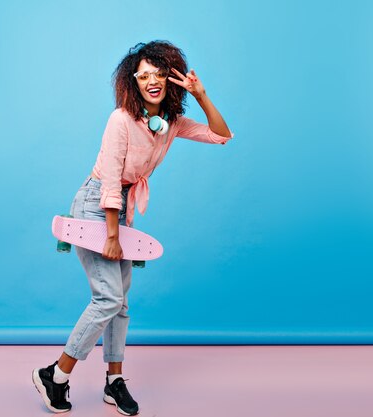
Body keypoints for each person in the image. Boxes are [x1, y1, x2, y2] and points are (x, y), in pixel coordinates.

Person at [32, 40, 233, 415]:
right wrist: (111, 234)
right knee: (107, 298)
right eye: (143, 75)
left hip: (122, 210)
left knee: (121, 306)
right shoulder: (120, 119)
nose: (152, 81)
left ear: (170, 79)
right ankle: (55, 375)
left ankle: (113, 380)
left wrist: (202, 96)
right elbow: (110, 179)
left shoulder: (171, 123)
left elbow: (220, 135)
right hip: (97, 206)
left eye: (159, 73)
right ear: (133, 82)